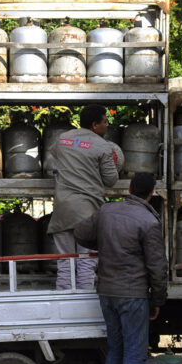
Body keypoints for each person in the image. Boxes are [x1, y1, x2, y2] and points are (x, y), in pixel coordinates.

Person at [74, 172, 166, 364]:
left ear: (129, 188)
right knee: (135, 356)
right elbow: (157, 267)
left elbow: (81, 232)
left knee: (115, 351)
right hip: (133, 295)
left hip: (106, 293)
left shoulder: (107, 211)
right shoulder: (149, 221)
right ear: (151, 193)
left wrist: (102, 243)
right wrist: (158, 299)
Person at [47, 104, 120, 290]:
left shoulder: (63, 139)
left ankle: (64, 306)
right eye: (105, 121)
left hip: (63, 210)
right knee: (86, 262)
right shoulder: (103, 146)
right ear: (95, 125)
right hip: (88, 212)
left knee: (65, 262)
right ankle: (83, 306)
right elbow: (111, 180)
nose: (107, 125)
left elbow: (54, 153)